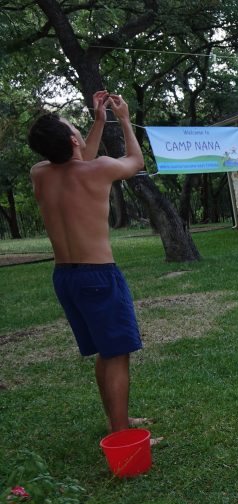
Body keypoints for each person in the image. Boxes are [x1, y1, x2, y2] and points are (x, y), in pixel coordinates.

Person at [28, 91, 150, 437]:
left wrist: (98, 121)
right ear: (72, 140)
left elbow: (79, 161)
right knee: (118, 354)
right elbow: (135, 161)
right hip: (97, 275)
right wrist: (123, 120)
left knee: (104, 351)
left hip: (65, 277)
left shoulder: (40, 174)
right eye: (73, 127)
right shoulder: (100, 169)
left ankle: (116, 421)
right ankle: (122, 434)